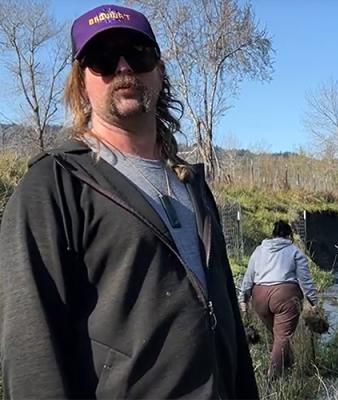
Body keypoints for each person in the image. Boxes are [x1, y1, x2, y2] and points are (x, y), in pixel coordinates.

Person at [0, 4, 257, 399]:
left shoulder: (193, 186)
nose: (124, 68)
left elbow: (230, 328)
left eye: (137, 53)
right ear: (81, 81)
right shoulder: (53, 186)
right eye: (103, 58)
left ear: (158, 70)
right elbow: (30, 346)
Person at [239, 220, 318, 378]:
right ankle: (273, 377)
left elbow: (249, 276)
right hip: (285, 296)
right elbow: (305, 280)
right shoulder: (294, 251)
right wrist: (314, 301)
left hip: (259, 298)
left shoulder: (259, 250)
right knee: (283, 336)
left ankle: (286, 366)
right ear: (289, 236)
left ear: (272, 234)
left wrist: (243, 298)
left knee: (277, 335)